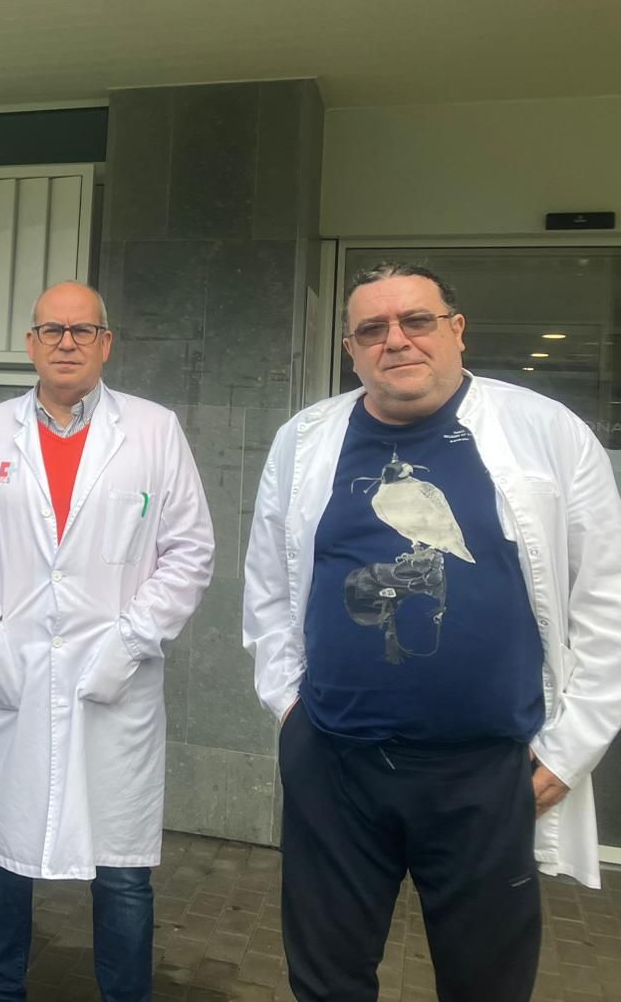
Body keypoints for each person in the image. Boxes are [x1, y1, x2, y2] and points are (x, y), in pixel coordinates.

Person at [242, 262, 621, 1002]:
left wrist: (573, 747)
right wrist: (291, 710)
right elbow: (267, 587)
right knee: (326, 981)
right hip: (336, 765)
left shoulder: (547, 433)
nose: (397, 341)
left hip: (486, 775)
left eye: (417, 320)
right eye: (373, 329)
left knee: (486, 985)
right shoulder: (307, 438)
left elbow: (606, 601)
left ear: (456, 329)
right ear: (351, 349)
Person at [0, 281, 214, 1002]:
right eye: (53, 330)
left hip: (114, 684)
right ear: (30, 343)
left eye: (82, 331)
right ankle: (0, 993)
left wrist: (131, 642)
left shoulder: (154, 430)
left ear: (106, 343)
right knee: (2, 854)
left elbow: (189, 550)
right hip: (15, 674)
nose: (67, 343)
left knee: (121, 870)